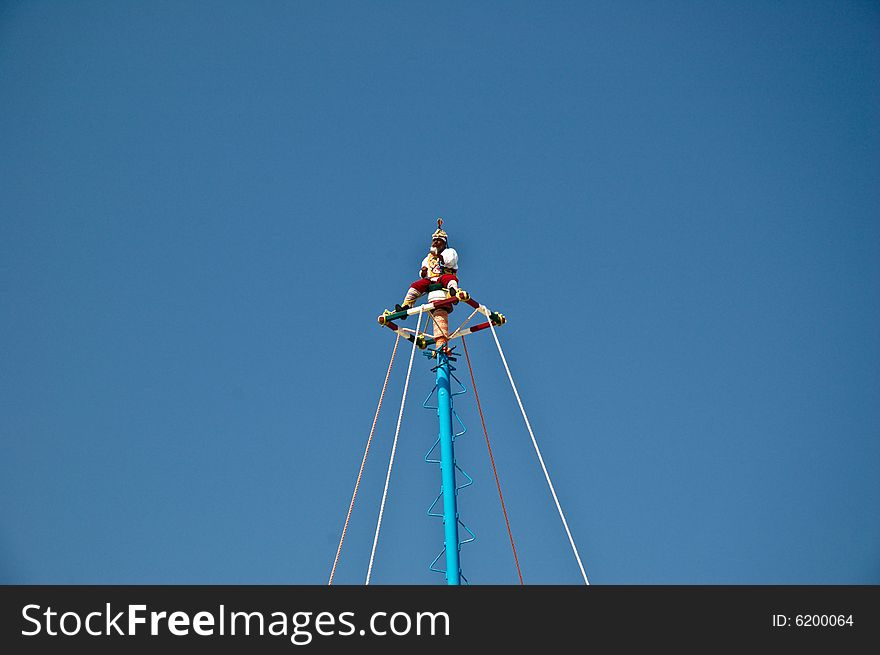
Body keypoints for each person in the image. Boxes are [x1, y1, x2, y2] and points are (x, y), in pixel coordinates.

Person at [394, 219, 465, 316]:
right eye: (434, 241)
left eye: (438, 241)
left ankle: (453, 294)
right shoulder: (428, 258)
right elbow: (423, 274)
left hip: (444, 277)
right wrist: (423, 272)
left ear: (444, 243)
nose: (435, 243)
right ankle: (406, 306)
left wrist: (438, 256)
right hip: (431, 280)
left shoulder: (449, 252)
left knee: (450, 279)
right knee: (416, 285)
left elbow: (450, 262)